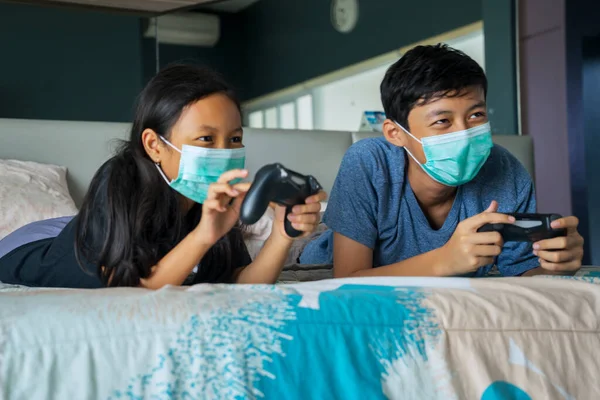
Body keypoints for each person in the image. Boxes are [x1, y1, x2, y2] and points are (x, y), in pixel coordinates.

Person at [0, 65, 326, 289]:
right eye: (206, 139)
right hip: (31, 247)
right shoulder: (120, 180)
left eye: (235, 138)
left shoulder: (216, 198)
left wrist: (283, 236)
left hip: (94, 230)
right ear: (154, 145)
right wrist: (204, 234)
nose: (224, 151)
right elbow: (134, 287)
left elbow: (240, 282)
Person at [300, 44, 584, 278]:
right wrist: (445, 260)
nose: (464, 133)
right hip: (316, 257)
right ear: (395, 133)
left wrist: (555, 265)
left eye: (476, 115)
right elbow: (347, 279)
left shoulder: (505, 170)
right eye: (442, 121)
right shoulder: (368, 163)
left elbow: (522, 274)